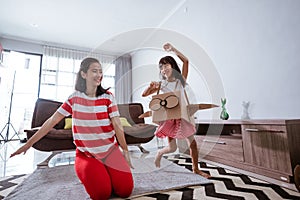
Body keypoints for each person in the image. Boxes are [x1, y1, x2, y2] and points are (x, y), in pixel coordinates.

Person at [10, 57, 134, 200]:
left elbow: (117, 125)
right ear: (83, 74)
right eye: (94, 71)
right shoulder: (74, 99)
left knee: (125, 191)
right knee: (102, 194)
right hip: (87, 155)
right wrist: (28, 143)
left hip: (110, 151)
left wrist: (124, 150)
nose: (99, 75)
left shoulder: (108, 97)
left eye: (100, 71)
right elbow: (52, 121)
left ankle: (104, 172)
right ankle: (86, 170)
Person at [142, 43, 211, 179]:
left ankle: (195, 169)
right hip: (169, 118)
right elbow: (144, 95)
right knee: (172, 148)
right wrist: (150, 87)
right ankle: (160, 153)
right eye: (161, 67)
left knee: (192, 143)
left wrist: (173, 49)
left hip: (183, 116)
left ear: (172, 66)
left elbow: (186, 61)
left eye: (166, 65)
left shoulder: (180, 81)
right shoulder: (161, 84)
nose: (163, 69)